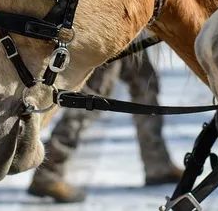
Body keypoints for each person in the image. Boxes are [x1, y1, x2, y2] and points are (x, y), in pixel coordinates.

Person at [27, 50, 184, 203]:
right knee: (93, 98)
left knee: (145, 82)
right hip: (113, 31)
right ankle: (49, 172)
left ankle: (158, 164)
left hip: (132, 31)